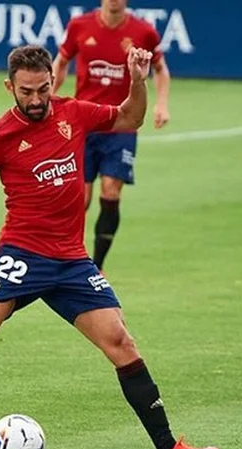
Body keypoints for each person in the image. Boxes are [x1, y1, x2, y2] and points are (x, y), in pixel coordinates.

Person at [0, 46, 215, 449]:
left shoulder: (73, 113)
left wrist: (136, 80)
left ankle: (171, 447)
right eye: (26, 91)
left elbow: (131, 117)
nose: (35, 100)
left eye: (43, 89)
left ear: (52, 82)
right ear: (10, 86)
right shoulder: (0, 134)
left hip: (71, 262)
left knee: (121, 342)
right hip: (21, 254)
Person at [53, 0, 172, 271]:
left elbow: (160, 69)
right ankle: (65, 255)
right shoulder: (79, 26)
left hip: (121, 124)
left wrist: (161, 103)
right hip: (84, 124)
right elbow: (61, 62)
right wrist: (49, 94)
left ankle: (96, 265)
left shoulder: (144, 32)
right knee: (78, 198)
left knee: (111, 191)